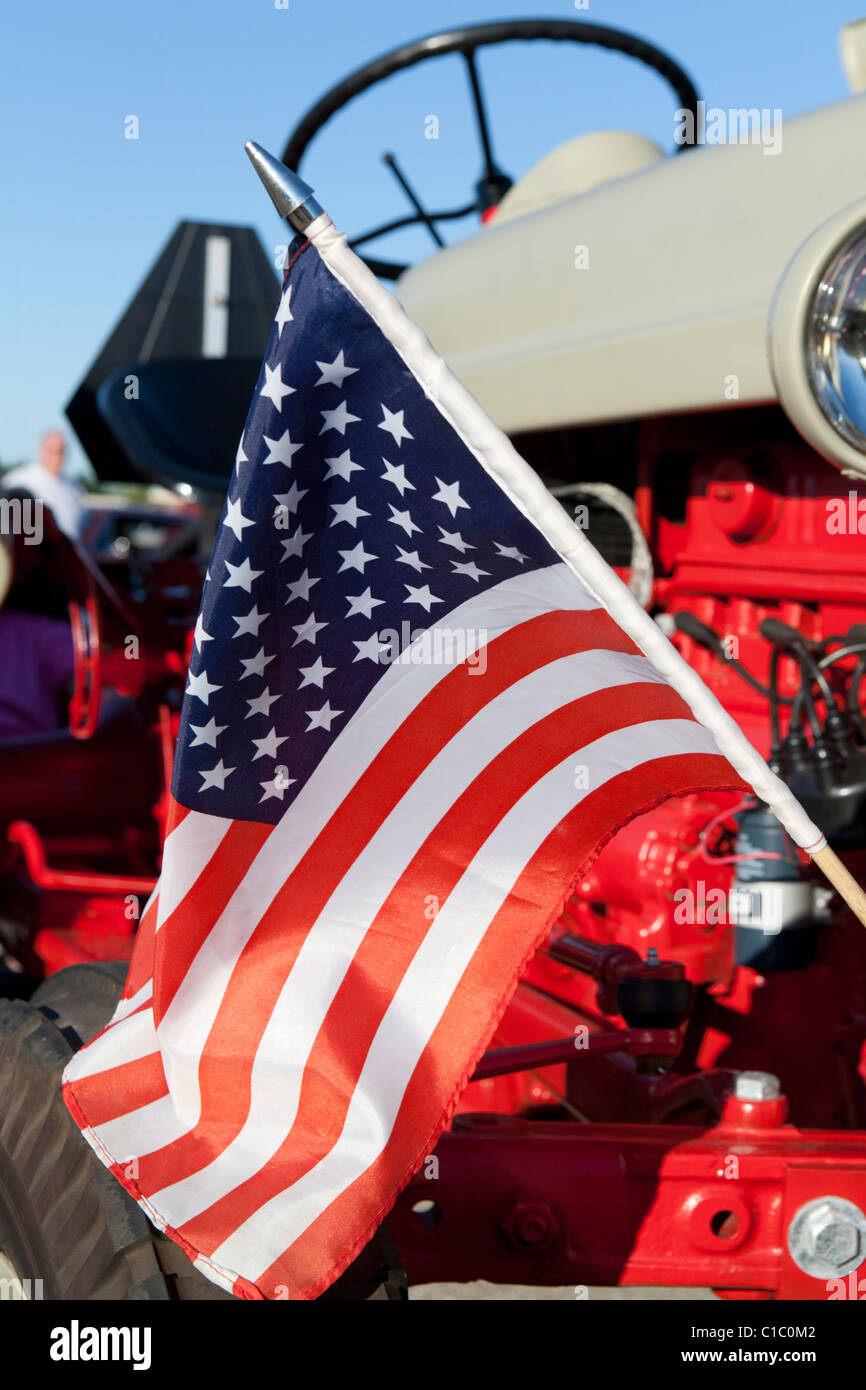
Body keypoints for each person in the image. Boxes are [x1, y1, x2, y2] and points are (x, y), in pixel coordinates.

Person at [4, 430, 86, 541]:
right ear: (41, 449)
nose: (57, 455)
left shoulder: (75, 488)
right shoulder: (18, 481)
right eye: (52, 449)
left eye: (61, 450)